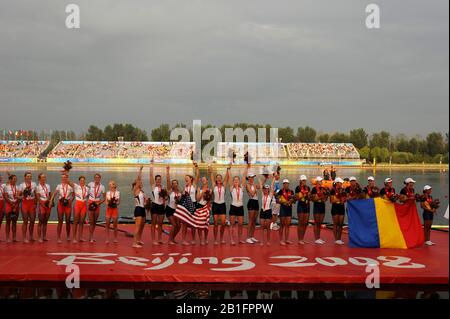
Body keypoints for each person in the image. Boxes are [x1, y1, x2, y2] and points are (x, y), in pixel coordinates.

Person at [49, 173, 74, 243]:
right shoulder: (59, 186)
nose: (64, 179)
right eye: (62, 178)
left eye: (65, 178)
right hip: (61, 204)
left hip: (68, 205)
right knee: (60, 221)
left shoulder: (70, 186)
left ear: (67, 178)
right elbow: (54, 194)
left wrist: (71, 202)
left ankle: (68, 236)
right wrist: (51, 200)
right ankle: (58, 237)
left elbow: (73, 195)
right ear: (61, 179)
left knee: (68, 221)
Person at [210, 164, 230, 245]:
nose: (218, 179)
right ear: (216, 179)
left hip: (222, 205)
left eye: (220, 178)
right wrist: (211, 170)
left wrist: (228, 169)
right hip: (215, 205)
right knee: (215, 224)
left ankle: (221, 238)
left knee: (223, 223)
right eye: (217, 178)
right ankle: (215, 239)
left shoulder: (223, 186)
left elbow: (227, 177)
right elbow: (211, 176)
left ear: (221, 179)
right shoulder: (214, 185)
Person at [180, 162, 200, 245]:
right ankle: (183, 240)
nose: (186, 179)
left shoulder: (194, 185)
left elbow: (198, 175)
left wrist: (196, 167)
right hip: (186, 205)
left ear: (191, 179)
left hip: (193, 204)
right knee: (184, 223)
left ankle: (193, 239)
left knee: (193, 223)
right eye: (185, 178)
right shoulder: (184, 187)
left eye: (187, 177)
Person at [228, 164, 248, 245]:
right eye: (235, 180)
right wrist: (229, 169)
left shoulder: (242, 188)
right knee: (232, 224)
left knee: (240, 224)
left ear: (239, 181)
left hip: (240, 207)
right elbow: (229, 177)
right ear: (233, 181)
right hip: (233, 207)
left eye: (237, 180)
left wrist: (246, 166)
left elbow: (244, 177)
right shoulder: (231, 188)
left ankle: (239, 239)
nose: (236, 181)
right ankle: (232, 240)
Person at [149, 161, 166, 245]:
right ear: (155, 180)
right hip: (154, 205)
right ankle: (153, 240)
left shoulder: (163, 187)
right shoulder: (153, 186)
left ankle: (159, 239)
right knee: (153, 223)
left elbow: (166, 197)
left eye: (160, 179)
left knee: (160, 223)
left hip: (161, 206)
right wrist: (151, 166)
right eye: (157, 179)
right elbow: (151, 176)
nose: (159, 180)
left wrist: (165, 199)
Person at [19, 172, 37, 242]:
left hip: (32, 204)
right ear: (25, 177)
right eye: (28, 176)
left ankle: (31, 236)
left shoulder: (34, 184)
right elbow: (18, 196)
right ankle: (24, 237)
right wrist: (24, 194)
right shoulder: (22, 185)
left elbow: (35, 194)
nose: (29, 177)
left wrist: (35, 203)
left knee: (32, 220)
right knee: (25, 221)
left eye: (30, 176)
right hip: (25, 204)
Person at [87, 173, 106, 243]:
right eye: (95, 177)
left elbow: (104, 198)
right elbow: (86, 192)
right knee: (91, 221)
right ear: (94, 178)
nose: (96, 179)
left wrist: (99, 203)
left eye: (98, 177)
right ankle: (91, 237)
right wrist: (88, 200)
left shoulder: (102, 187)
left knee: (94, 221)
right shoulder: (90, 184)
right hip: (90, 202)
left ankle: (91, 235)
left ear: (100, 178)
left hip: (97, 203)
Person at [165, 166, 181, 245]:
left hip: (176, 210)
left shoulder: (180, 191)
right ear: (172, 185)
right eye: (173, 183)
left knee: (179, 226)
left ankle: (173, 238)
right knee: (174, 225)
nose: (174, 184)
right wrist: (167, 171)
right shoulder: (170, 191)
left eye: (176, 183)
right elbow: (168, 180)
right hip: (169, 209)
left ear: (177, 184)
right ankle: (170, 240)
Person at [277, 179, 296, 245]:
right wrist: (283, 201)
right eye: (284, 183)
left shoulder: (291, 191)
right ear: (283, 184)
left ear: (288, 184)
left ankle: (287, 239)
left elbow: (294, 201)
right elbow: (277, 200)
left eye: (287, 183)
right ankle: (280, 240)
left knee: (287, 225)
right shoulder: (280, 191)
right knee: (282, 225)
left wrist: (291, 201)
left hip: (289, 209)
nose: (286, 185)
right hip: (283, 209)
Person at [132, 166, 147, 248]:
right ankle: (134, 243)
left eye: (141, 183)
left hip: (142, 208)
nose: (141, 183)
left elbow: (144, 202)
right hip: (138, 209)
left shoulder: (142, 191)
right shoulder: (136, 190)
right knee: (137, 226)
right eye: (139, 183)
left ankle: (138, 239)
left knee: (142, 225)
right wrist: (140, 170)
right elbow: (138, 179)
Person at [3, 174, 22, 242]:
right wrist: (11, 204)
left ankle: (14, 237)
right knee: (8, 222)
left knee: (14, 222)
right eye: (14, 179)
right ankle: (7, 238)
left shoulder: (18, 187)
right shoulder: (6, 187)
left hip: (16, 205)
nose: (15, 180)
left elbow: (20, 196)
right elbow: (5, 197)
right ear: (10, 180)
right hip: (9, 205)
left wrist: (16, 204)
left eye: (16, 179)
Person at [310, 176, 328, 244]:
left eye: (321, 181)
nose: (321, 182)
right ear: (317, 182)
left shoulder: (323, 188)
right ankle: (316, 238)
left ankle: (319, 237)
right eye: (320, 181)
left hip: (322, 206)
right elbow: (314, 199)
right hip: (317, 206)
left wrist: (325, 197)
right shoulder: (314, 189)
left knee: (320, 223)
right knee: (316, 223)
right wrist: (321, 197)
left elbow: (325, 199)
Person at [245, 172, 262, 244]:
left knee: (254, 221)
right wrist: (255, 187)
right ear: (248, 178)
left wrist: (262, 180)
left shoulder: (254, 185)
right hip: (251, 202)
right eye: (251, 177)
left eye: (253, 177)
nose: (252, 178)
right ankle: (248, 237)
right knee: (250, 221)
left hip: (256, 202)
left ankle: (252, 236)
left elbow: (261, 186)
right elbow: (252, 194)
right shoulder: (247, 185)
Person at [71, 176, 89, 243]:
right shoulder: (76, 186)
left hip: (84, 204)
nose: (82, 181)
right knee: (75, 221)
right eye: (81, 180)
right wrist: (66, 173)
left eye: (83, 180)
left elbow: (88, 196)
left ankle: (80, 237)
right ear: (79, 181)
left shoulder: (87, 188)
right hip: (77, 204)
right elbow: (68, 182)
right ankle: (74, 238)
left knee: (81, 222)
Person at [329, 177, 346, 245]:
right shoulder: (332, 190)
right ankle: (336, 239)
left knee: (341, 224)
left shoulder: (343, 190)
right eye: (340, 182)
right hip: (335, 207)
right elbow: (331, 200)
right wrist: (339, 200)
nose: (341, 183)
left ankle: (339, 238)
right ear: (337, 183)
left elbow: (344, 198)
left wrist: (343, 200)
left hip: (341, 207)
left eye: (342, 182)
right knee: (335, 223)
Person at [259, 177, 275, 246]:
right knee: (262, 227)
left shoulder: (270, 195)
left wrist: (273, 177)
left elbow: (272, 185)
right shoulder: (262, 194)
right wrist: (260, 179)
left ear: (268, 190)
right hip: (262, 211)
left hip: (268, 211)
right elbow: (260, 185)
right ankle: (262, 240)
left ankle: (268, 241)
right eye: (264, 189)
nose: (265, 190)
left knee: (268, 227)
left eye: (267, 189)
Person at [35, 173, 52, 243]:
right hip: (42, 205)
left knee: (45, 222)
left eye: (44, 177)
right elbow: (38, 197)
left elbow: (50, 194)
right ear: (39, 179)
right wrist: (42, 204)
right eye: (42, 177)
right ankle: (39, 237)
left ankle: (44, 236)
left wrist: (50, 201)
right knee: (40, 222)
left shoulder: (48, 186)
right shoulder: (37, 187)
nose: (43, 179)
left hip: (48, 204)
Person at [295, 175, 311, 244]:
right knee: (300, 223)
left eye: (305, 180)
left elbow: (309, 198)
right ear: (300, 181)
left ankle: (303, 238)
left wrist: (309, 196)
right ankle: (299, 239)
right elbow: (296, 198)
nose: (304, 181)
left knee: (305, 223)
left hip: (307, 206)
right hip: (301, 206)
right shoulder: (298, 188)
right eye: (303, 180)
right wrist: (303, 195)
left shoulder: (308, 188)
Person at [196, 175, 210, 244]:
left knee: (206, 224)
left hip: (206, 206)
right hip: (199, 206)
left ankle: (206, 238)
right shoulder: (199, 188)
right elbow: (197, 199)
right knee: (199, 224)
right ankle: (201, 239)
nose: (203, 180)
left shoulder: (210, 189)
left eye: (205, 179)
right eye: (202, 180)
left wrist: (208, 207)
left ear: (207, 181)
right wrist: (202, 192)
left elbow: (210, 200)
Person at [0, 176, 4, 241]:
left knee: (0, 221)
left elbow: (10, 182)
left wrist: (9, 175)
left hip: (2, 203)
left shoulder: (3, 186)